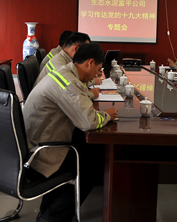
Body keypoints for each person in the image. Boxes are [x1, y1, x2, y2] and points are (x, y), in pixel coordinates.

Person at [23, 42, 118, 222]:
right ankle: (53, 217)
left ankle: (50, 211)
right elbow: (88, 121)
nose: (97, 74)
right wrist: (106, 115)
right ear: (89, 62)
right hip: (41, 152)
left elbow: (77, 94)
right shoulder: (68, 82)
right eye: (98, 68)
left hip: (38, 140)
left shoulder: (66, 72)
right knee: (93, 165)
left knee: (91, 149)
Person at [34, 32, 98, 91]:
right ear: (76, 48)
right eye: (86, 50)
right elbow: (71, 88)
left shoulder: (65, 59)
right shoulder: (59, 62)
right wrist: (91, 93)